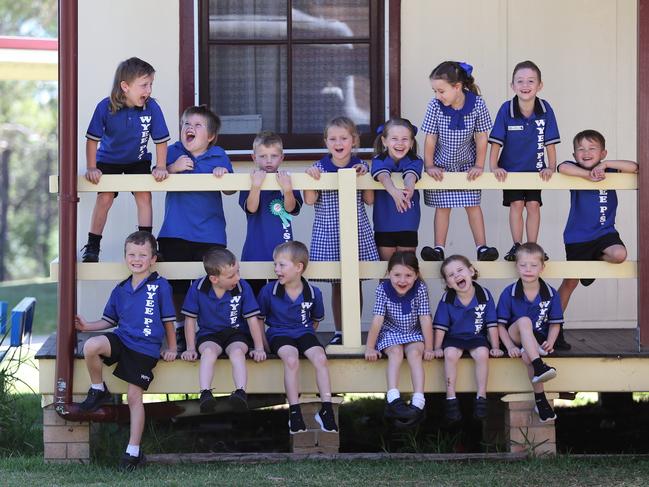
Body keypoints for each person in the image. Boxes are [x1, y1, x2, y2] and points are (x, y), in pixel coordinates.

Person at [75, 231, 177, 470]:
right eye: (131, 254)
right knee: (91, 345)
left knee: (134, 397)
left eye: (143, 254)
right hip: (122, 340)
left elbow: (169, 320)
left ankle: (132, 452)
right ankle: (98, 389)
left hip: (144, 349)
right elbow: (109, 320)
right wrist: (88, 326)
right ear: (125, 257)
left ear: (153, 259)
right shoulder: (120, 289)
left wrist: (172, 347)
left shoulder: (161, 286)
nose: (136, 259)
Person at [157, 105, 234, 349]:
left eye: (197, 125)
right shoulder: (172, 152)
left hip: (209, 234)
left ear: (210, 136)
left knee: (210, 284)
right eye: (186, 124)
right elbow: (154, 174)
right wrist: (171, 169)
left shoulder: (218, 154)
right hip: (174, 232)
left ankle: (212, 330)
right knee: (176, 286)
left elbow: (231, 188)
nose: (189, 128)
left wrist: (223, 174)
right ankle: (180, 330)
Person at [81, 57, 170, 262]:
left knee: (144, 197)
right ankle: (93, 246)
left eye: (150, 85)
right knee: (104, 198)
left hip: (137, 160)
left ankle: (148, 245)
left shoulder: (152, 108)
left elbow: (161, 141)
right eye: (144, 85)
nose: (148, 90)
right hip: (108, 160)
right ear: (125, 86)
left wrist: (161, 166)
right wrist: (92, 167)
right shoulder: (105, 107)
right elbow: (92, 140)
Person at [304, 116, 379, 346]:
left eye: (344, 138)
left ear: (353, 141)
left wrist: (363, 176)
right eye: (333, 138)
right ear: (326, 142)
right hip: (329, 231)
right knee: (338, 284)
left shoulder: (360, 166)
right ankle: (339, 330)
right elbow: (308, 201)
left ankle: (353, 330)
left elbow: (369, 200)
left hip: (356, 231)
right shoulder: (318, 167)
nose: (338, 143)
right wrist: (310, 179)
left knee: (355, 282)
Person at [420, 61, 498, 262]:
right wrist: (429, 165)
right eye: (434, 91)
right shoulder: (434, 105)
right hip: (441, 165)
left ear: (457, 87)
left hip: (467, 165)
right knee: (443, 207)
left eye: (441, 91)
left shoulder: (477, 104)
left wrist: (479, 165)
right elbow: (430, 138)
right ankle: (439, 248)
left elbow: (482, 137)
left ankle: (482, 247)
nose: (437, 95)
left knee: (472, 205)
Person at [257, 241, 338, 434]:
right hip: (279, 334)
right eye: (275, 264)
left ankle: (326, 410)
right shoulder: (269, 291)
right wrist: (263, 344)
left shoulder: (313, 293)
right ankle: (295, 412)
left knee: (320, 358)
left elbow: (315, 321)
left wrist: (307, 335)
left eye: (282, 265)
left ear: (299, 267)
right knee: (291, 359)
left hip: (304, 332)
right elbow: (259, 320)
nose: (276, 269)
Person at [557, 130, 637, 312]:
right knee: (570, 283)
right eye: (581, 149)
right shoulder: (575, 170)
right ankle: (555, 326)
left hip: (604, 234)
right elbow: (562, 167)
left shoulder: (608, 169)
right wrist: (588, 176)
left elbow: (634, 166)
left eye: (592, 148)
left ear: (603, 153)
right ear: (574, 155)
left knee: (619, 255)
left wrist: (605, 164)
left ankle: (595, 259)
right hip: (578, 237)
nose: (586, 153)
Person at [489, 61, 560, 261]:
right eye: (520, 81)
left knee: (533, 205)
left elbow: (550, 143)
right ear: (512, 85)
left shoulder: (545, 109)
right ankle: (517, 246)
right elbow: (496, 142)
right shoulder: (506, 109)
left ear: (540, 85)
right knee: (517, 204)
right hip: (511, 171)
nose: (525, 85)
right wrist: (494, 166)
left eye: (530, 81)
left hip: (536, 170)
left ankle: (533, 246)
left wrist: (551, 167)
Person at [180, 248, 267, 412]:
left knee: (237, 353)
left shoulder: (242, 287)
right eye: (231, 276)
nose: (238, 277)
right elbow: (190, 320)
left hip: (236, 333)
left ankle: (241, 392)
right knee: (208, 353)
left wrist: (259, 347)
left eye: (237, 272)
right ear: (214, 278)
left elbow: (252, 320)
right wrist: (190, 348)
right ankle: (205, 393)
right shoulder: (198, 288)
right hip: (209, 334)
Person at [364, 251, 433, 426]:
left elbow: (425, 318)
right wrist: (370, 347)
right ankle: (393, 399)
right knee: (395, 352)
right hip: (390, 331)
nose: (402, 280)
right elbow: (378, 319)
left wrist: (430, 347)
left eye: (408, 275)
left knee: (415, 353)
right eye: (397, 275)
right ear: (388, 274)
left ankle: (419, 401)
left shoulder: (420, 289)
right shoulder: (383, 289)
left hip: (413, 331)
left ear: (416, 275)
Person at [433, 255, 503, 423]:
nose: (456, 276)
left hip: (476, 337)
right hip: (454, 337)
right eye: (450, 275)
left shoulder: (484, 295)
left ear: (471, 271)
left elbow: (492, 324)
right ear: (448, 283)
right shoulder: (447, 299)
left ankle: (481, 397)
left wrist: (495, 346)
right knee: (449, 354)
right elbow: (441, 327)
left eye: (460, 270)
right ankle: (451, 398)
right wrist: (436, 347)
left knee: (482, 354)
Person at [497, 242, 562, 422]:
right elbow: (500, 325)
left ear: (542, 267)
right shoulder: (509, 292)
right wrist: (509, 346)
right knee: (524, 320)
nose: (528, 269)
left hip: (537, 340)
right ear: (516, 266)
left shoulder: (551, 293)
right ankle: (539, 364)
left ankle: (540, 401)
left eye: (533, 265)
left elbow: (555, 323)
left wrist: (550, 341)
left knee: (528, 357)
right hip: (515, 335)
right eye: (523, 265)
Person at [240, 131, 303, 297]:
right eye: (262, 156)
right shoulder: (250, 181)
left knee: (281, 298)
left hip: (284, 254)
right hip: (255, 251)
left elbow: (291, 209)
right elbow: (251, 208)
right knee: (254, 299)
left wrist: (287, 189)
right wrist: (256, 186)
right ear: (254, 158)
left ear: (282, 158)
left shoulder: (287, 180)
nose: (268, 160)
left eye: (274, 156)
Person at [371, 118, 423, 260]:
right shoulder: (378, 160)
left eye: (405, 139)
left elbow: (410, 175)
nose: (400, 143)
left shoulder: (415, 160)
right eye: (394, 138)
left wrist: (409, 188)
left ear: (412, 143)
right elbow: (383, 176)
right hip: (384, 224)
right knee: (387, 269)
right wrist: (394, 192)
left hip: (408, 223)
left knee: (407, 267)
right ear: (384, 141)